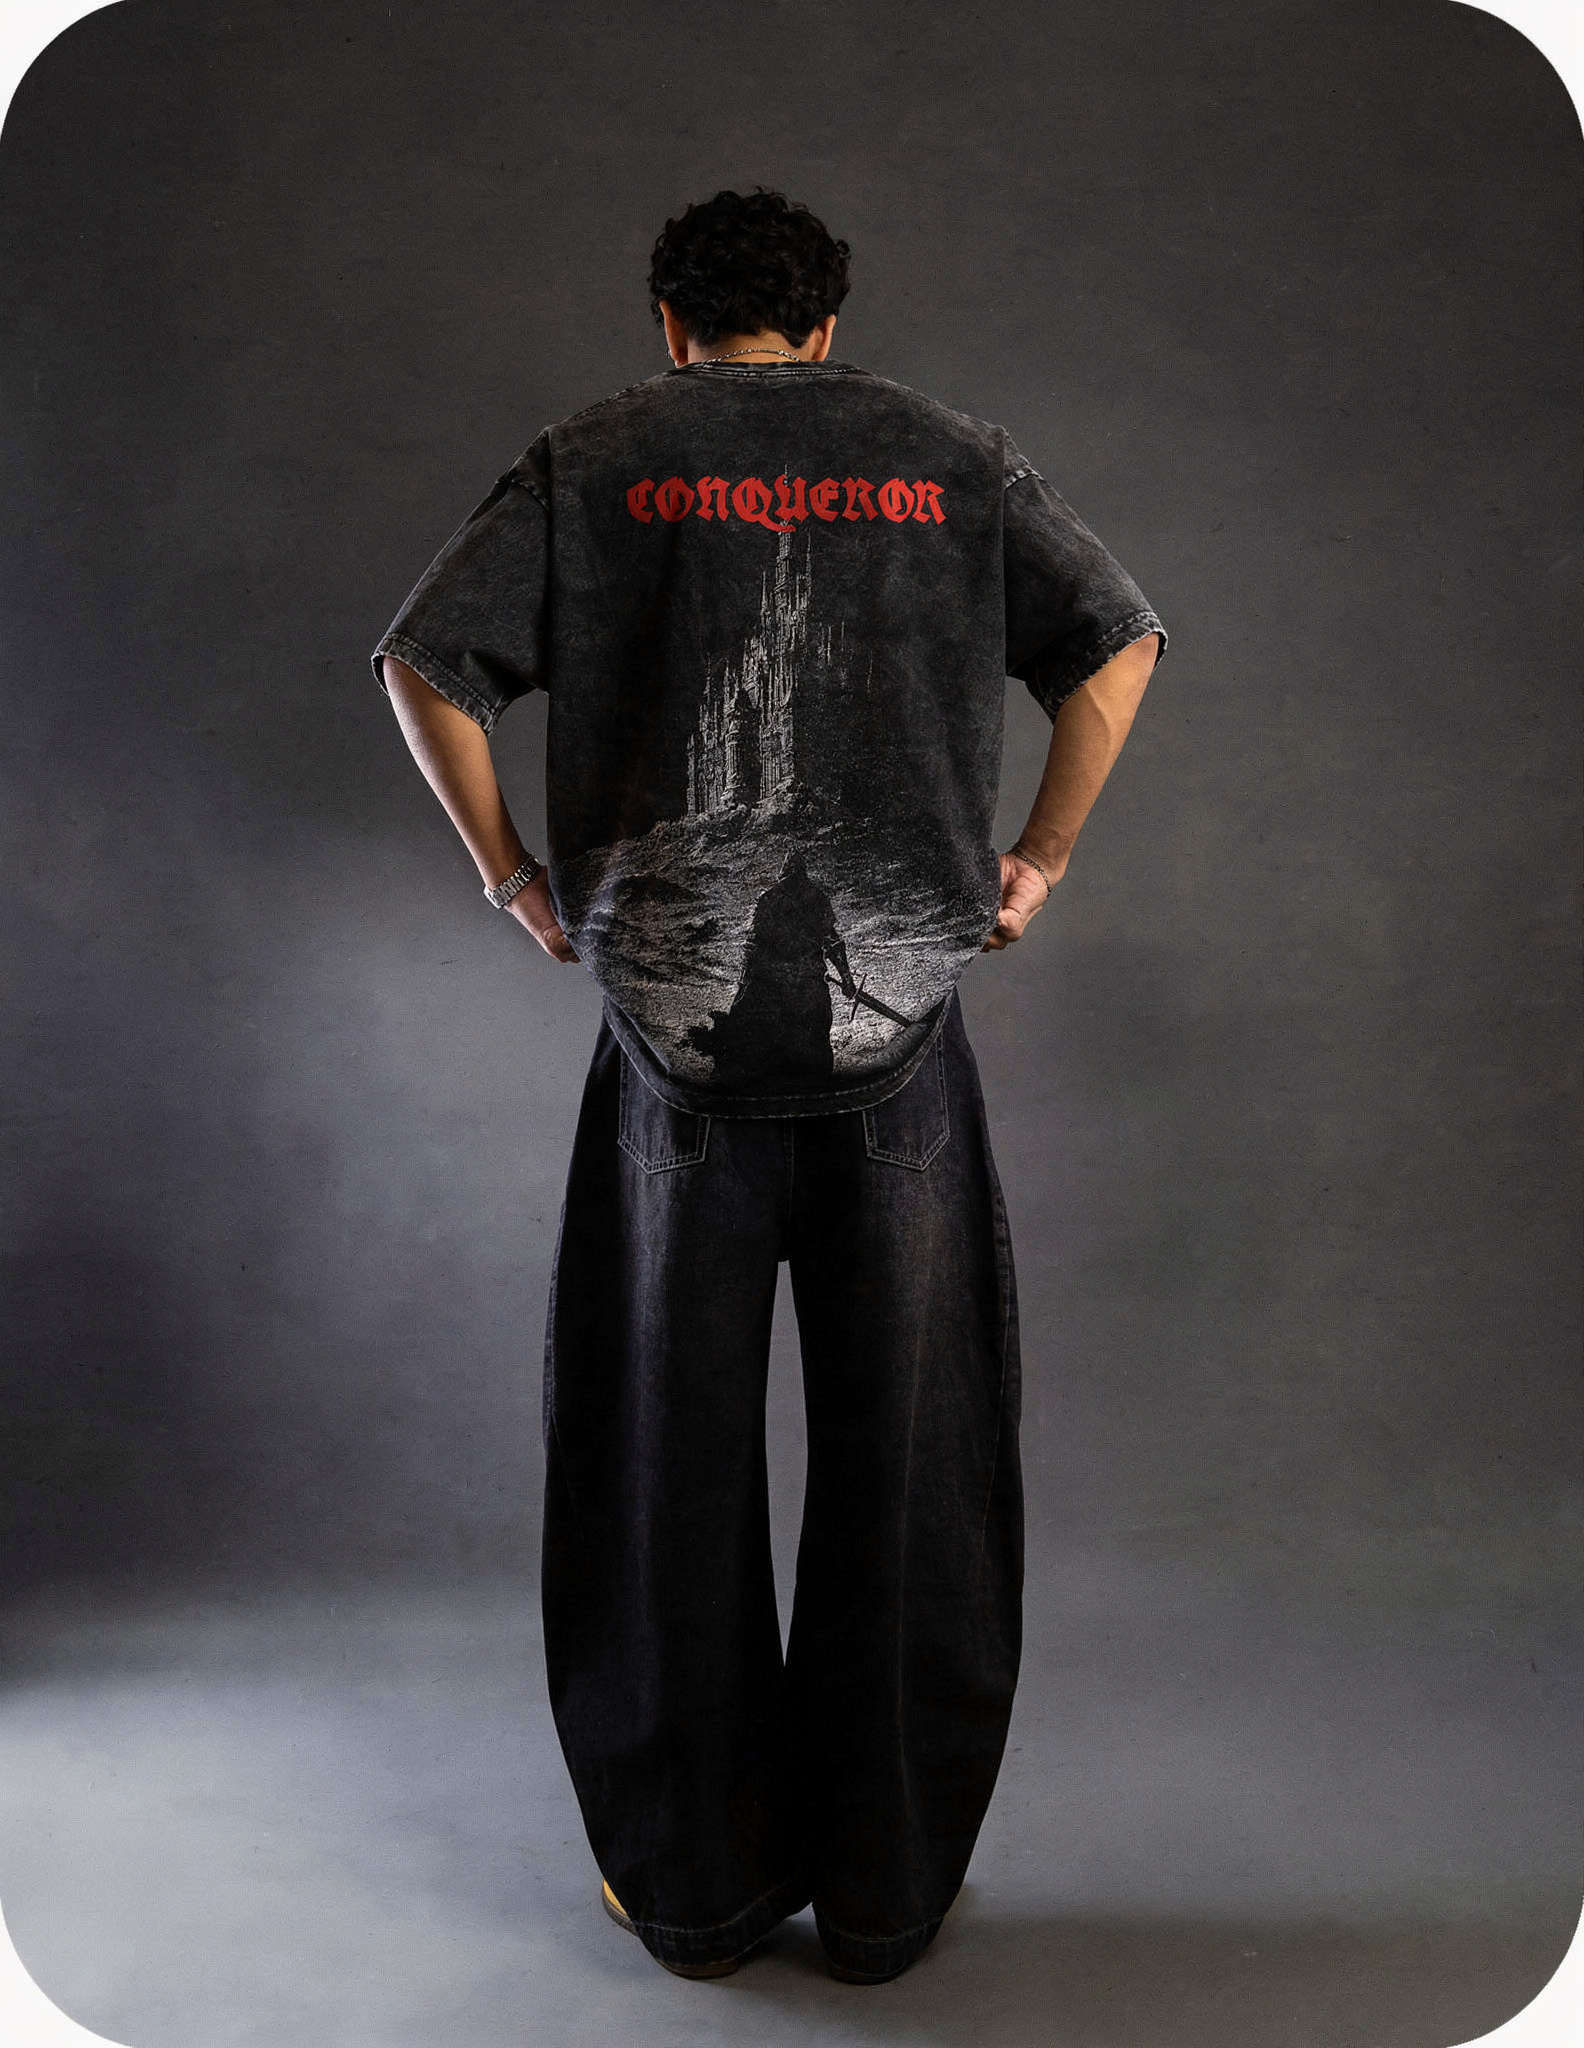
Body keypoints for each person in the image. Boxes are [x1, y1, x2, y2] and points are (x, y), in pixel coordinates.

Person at [372, 186, 1167, 1986]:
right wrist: (1038, 860)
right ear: (825, 328)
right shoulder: (951, 458)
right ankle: (887, 1896)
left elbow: (424, 665)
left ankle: (695, 1889)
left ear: (671, 324)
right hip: (902, 1047)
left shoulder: (596, 457)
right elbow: (1117, 640)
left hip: (677, 1057)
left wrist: (516, 881)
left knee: (660, 1465)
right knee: (918, 1471)